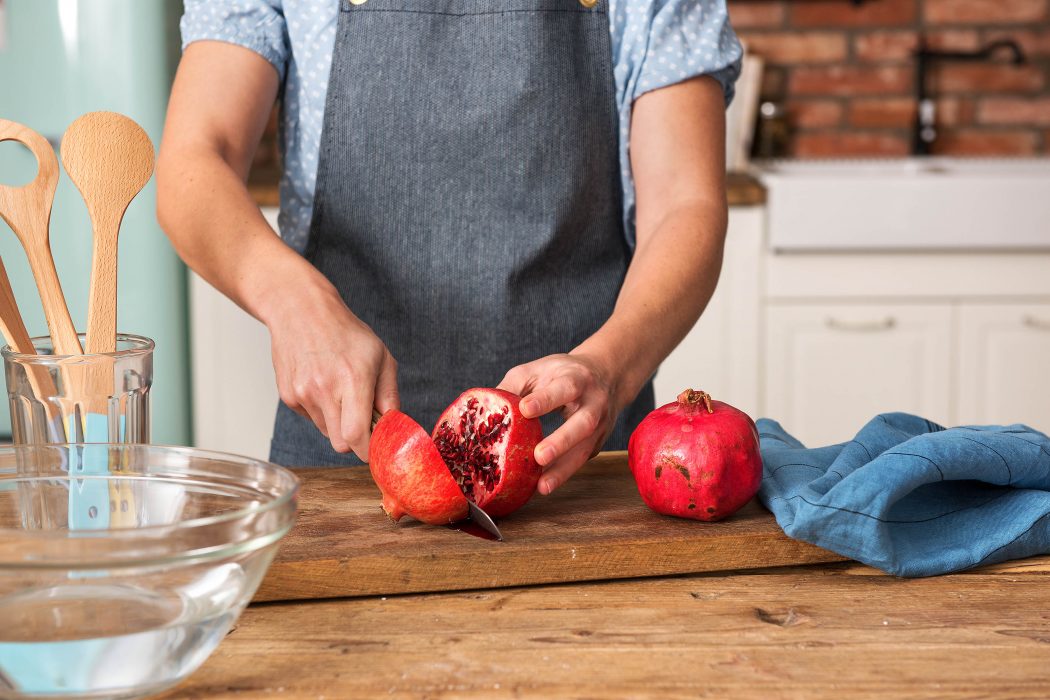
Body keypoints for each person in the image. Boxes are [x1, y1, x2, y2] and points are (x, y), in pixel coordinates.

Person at [157, 0, 741, 495]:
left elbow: (685, 204)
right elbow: (193, 164)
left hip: (575, 464)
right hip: (346, 459)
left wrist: (609, 365)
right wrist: (295, 305)